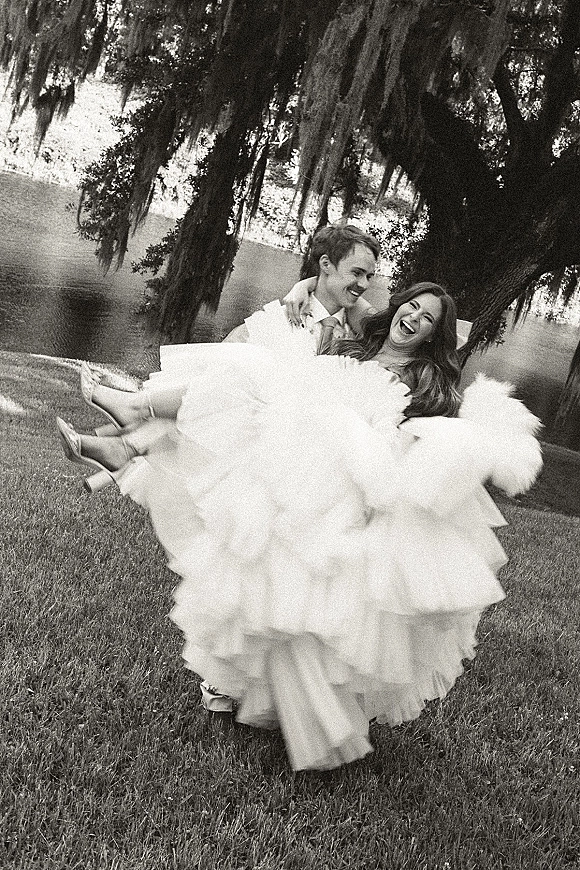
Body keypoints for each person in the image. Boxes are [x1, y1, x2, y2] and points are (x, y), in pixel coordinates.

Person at [57, 279, 542, 771]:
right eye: (411, 306)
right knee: (241, 393)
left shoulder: (428, 380)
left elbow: (433, 440)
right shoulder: (364, 331)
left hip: (348, 476)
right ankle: (129, 438)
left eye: (427, 319)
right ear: (398, 307)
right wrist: (303, 284)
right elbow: (336, 284)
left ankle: (129, 433)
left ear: (435, 335)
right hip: (303, 455)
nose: (413, 318)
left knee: (294, 580)